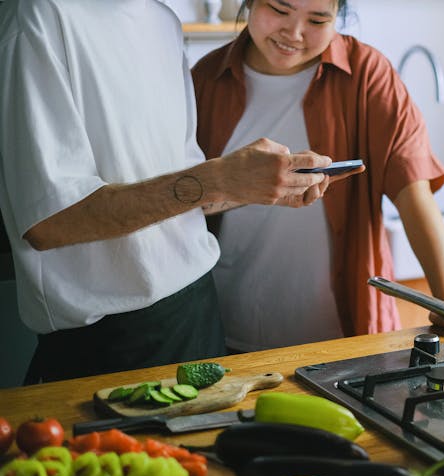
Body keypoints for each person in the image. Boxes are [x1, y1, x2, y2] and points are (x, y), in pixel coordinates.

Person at [0, 0, 358, 383]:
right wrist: (219, 178)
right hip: (107, 342)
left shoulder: (164, 22)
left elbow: (180, 192)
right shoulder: (39, 16)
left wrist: (254, 186)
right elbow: (49, 222)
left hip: (198, 314)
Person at [191, 0, 444, 352]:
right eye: (280, 10)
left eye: (317, 19)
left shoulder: (366, 74)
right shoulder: (204, 80)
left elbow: (413, 193)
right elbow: (183, 201)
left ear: (338, 18)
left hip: (345, 339)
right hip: (225, 330)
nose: (295, 33)